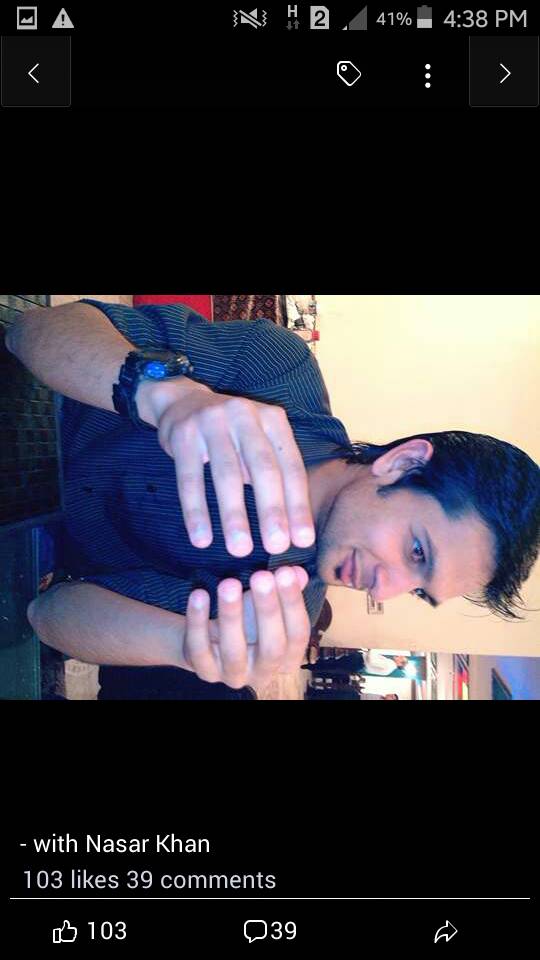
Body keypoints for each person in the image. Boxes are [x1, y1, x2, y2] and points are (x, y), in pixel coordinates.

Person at [12, 299, 540, 698]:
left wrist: (186, 645)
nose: (386, 588)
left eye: (418, 591)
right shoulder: (277, 374)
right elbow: (31, 331)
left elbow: (47, 614)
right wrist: (165, 395)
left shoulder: (279, 604)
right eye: (416, 551)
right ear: (401, 464)